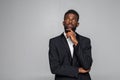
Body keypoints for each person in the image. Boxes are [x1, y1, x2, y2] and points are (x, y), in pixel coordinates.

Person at [48, 9, 93, 80]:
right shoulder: (54, 42)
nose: (70, 21)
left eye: (73, 19)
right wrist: (78, 70)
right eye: (67, 19)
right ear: (63, 22)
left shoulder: (85, 41)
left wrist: (76, 42)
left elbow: (87, 65)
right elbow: (54, 68)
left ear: (77, 24)